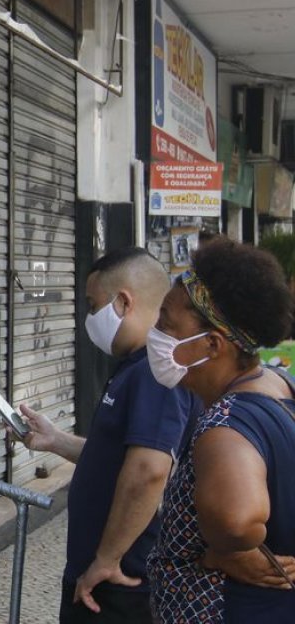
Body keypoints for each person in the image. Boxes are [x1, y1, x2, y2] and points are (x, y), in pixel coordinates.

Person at [17, 246, 196, 622]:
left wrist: (106, 559)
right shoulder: (133, 367)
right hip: (104, 576)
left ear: (123, 302)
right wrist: (56, 440)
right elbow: (121, 456)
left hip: (120, 581)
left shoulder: (153, 372)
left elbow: (149, 470)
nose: (88, 316)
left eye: (92, 304)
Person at [146, 239, 295, 621]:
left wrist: (223, 553)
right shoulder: (280, 386)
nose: (156, 333)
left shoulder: (225, 426)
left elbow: (237, 520)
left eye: (166, 323)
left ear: (212, 345)